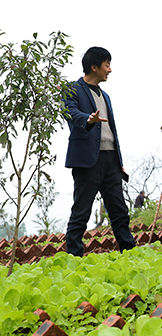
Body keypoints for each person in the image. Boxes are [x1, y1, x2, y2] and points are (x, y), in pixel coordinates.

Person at [63, 46, 136, 257]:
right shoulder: (73, 89)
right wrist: (87, 119)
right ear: (94, 67)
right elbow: (71, 112)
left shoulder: (106, 96)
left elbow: (111, 131)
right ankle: (74, 257)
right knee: (81, 212)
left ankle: (129, 253)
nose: (110, 70)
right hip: (87, 161)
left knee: (119, 210)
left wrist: (118, 160)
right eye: (107, 65)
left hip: (110, 159)